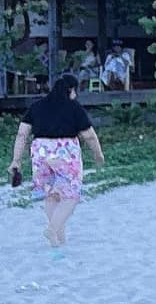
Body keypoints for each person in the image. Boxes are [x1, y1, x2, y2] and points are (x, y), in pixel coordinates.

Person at [9, 71, 105, 252]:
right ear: (71, 90)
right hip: (65, 152)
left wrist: (16, 160)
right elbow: (89, 136)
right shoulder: (73, 107)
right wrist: (98, 154)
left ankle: (58, 238)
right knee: (71, 195)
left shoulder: (36, 106)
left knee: (51, 194)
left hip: (40, 152)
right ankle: (52, 230)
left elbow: (22, 134)